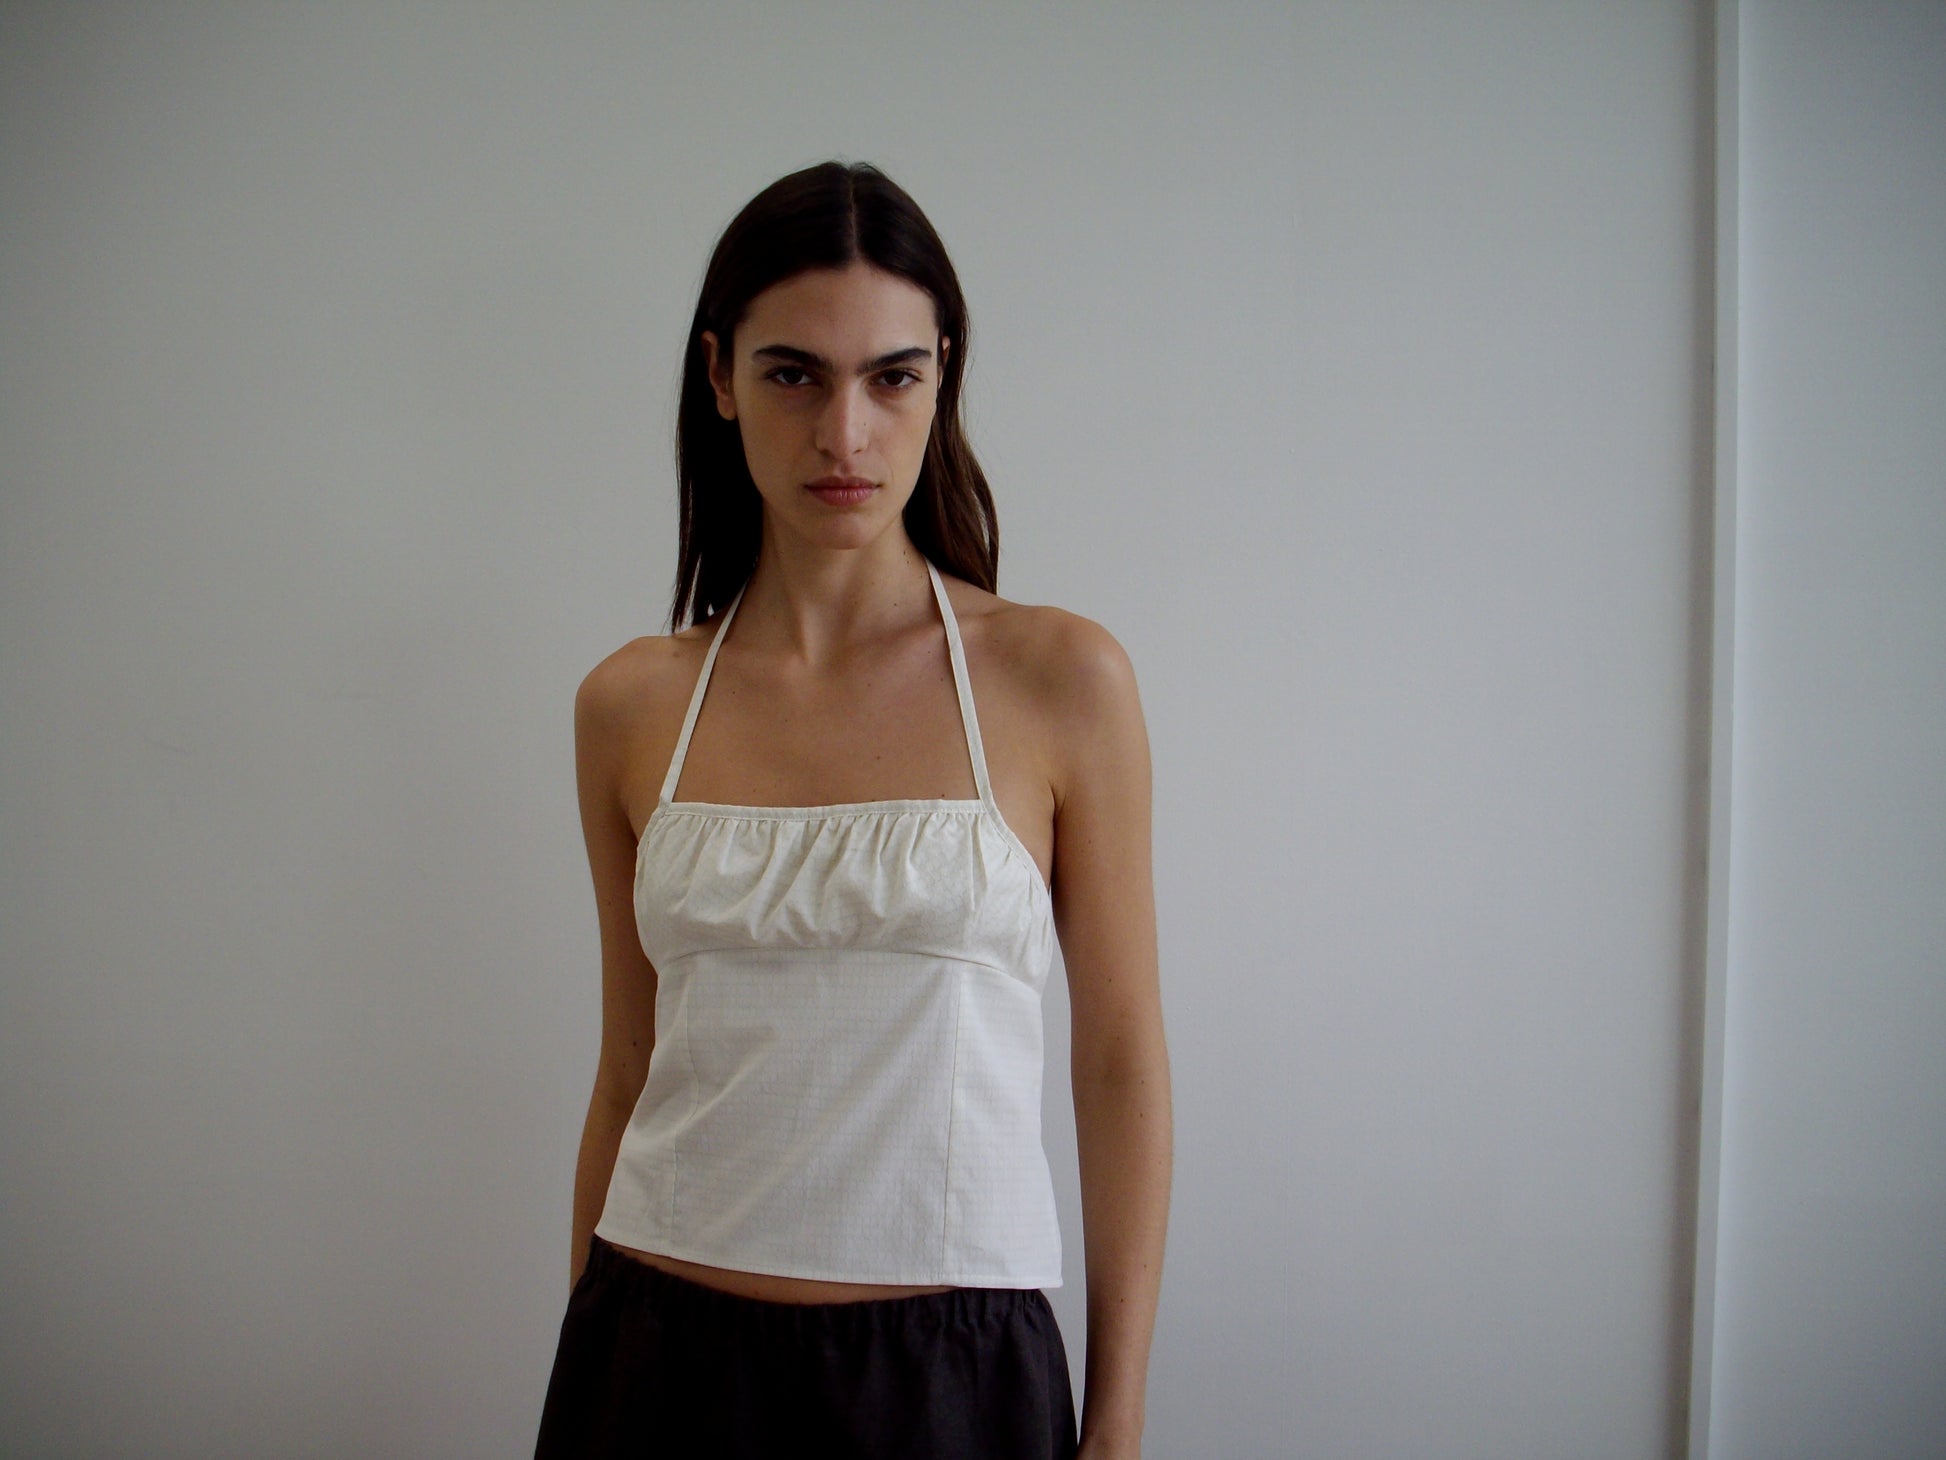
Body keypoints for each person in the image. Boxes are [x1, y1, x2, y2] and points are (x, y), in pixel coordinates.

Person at [533, 161, 1171, 1460]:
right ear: (719, 377)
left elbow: (1119, 1065)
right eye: (793, 375)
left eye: (891, 377)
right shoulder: (630, 705)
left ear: (943, 377)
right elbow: (626, 1070)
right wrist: (584, 1342)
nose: (844, 434)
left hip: (954, 1383)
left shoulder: (1060, 680)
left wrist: (1114, 1420)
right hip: (655, 1362)